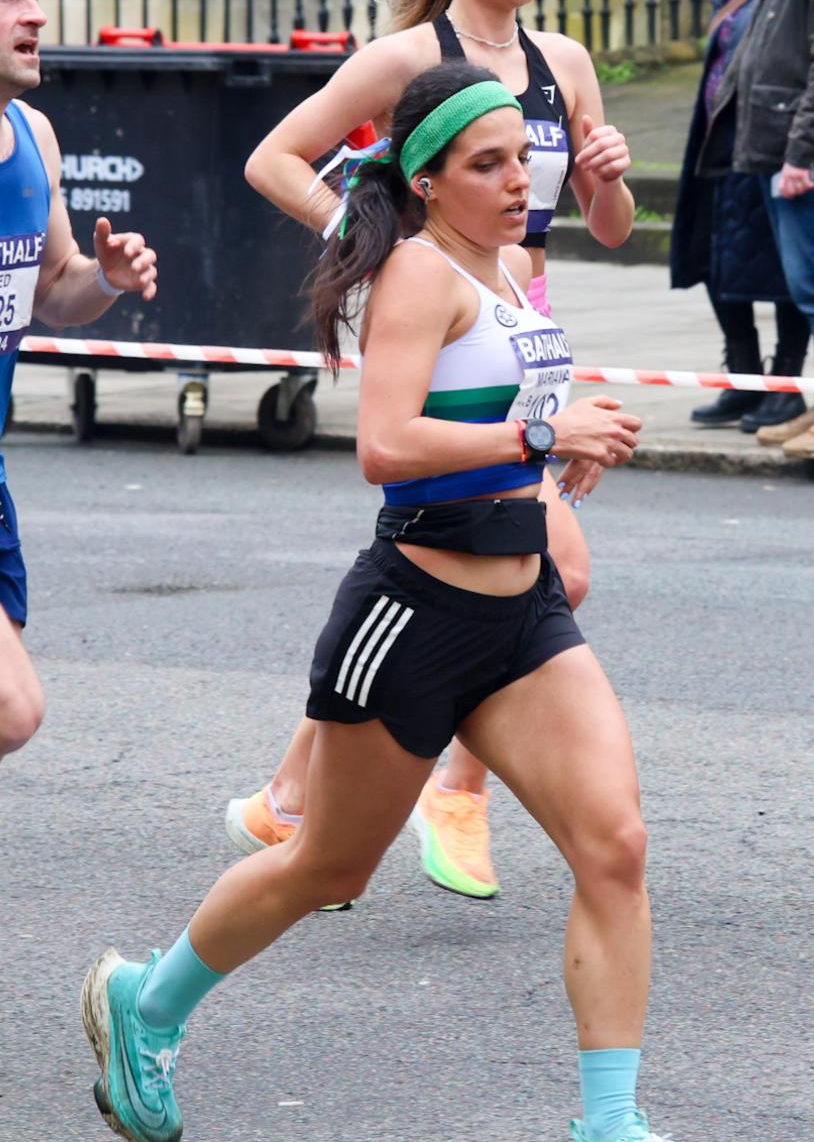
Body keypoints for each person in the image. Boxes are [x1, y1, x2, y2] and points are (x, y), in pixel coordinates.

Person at [82, 59, 670, 1142]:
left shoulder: (497, 270)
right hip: (414, 617)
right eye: (485, 165)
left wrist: (555, 451)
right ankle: (145, 1004)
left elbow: (487, 415)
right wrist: (542, 435)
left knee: (614, 848)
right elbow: (386, 446)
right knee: (327, 864)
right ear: (428, 180)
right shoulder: (416, 274)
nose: (514, 179)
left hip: (523, 615)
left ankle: (610, 1123)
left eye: (520, 158)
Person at [232, 0, 635, 900]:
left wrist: (603, 184)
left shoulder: (567, 62)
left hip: (529, 326)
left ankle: (290, 793)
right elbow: (275, 159)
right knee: (542, 565)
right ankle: (454, 790)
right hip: (446, 324)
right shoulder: (407, 57)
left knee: (500, 565)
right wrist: (375, 243)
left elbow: (604, 230)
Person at [0, 0, 158, 758]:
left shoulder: (35, 135)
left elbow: (55, 288)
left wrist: (106, 277)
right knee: (12, 707)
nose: (37, 12)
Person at [671, 0, 810, 431]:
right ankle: (744, 375)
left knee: (782, 271)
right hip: (718, 141)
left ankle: (785, 384)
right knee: (714, 260)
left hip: (767, 146)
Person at [702, 0, 814, 458]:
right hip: (769, 152)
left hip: (794, 157)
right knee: (803, 285)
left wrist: (799, 153)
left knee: (808, 284)